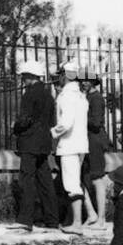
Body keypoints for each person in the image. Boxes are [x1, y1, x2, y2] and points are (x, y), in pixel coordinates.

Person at [9, 59, 60, 233]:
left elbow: (25, 119)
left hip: (29, 142)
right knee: (45, 182)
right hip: (44, 143)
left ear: (31, 76)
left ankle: (25, 219)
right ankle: (52, 219)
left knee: (27, 181)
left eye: (24, 76)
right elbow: (52, 121)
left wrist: (15, 128)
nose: (23, 79)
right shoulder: (49, 95)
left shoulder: (29, 94)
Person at [52, 61, 90, 232]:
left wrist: (52, 132)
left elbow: (66, 123)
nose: (59, 77)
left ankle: (76, 223)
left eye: (61, 73)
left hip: (69, 145)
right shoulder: (81, 96)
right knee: (75, 182)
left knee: (71, 184)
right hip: (81, 144)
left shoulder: (66, 96)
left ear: (66, 75)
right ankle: (75, 221)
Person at [82, 75, 110, 226]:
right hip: (86, 141)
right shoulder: (86, 97)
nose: (84, 83)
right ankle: (92, 214)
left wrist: (79, 117)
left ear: (93, 82)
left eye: (87, 80)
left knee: (97, 179)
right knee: (81, 178)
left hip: (95, 141)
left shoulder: (96, 98)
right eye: (82, 81)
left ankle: (101, 218)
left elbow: (96, 123)